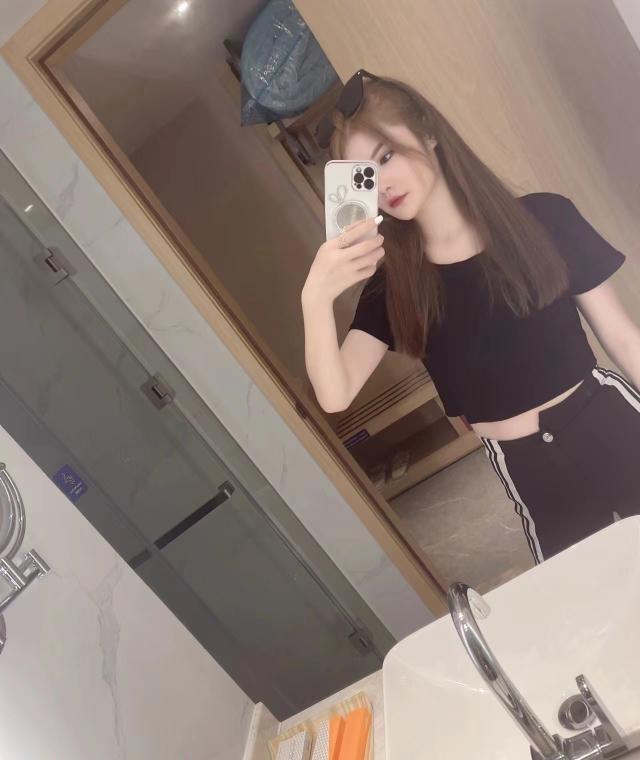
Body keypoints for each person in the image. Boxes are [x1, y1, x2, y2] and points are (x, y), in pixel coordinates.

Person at [302, 70, 640, 563]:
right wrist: (314, 297)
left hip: (613, 427)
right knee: (590, 600)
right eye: (365, 176)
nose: (383, 185)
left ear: (428, 133)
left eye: (386, 156)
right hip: (528, 470)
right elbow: (335, 395)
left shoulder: (544, 218)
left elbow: (623, 337)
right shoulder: (394, 286)